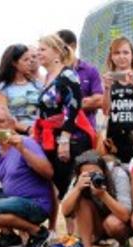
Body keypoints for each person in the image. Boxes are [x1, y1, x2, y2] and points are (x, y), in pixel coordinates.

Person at [0, 107, 53, 247]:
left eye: (1, 121)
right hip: (14, 200)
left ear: (12, 124)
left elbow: (48, 173)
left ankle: (38, 232)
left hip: (35, 203)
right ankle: (8, 235)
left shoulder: (26, 142)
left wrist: (22, 150)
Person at [34, 34, 89, 204]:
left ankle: (78, 230)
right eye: (37, 50)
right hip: (50, 136)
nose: (38, 53)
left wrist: (65, 139)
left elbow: (73, 107)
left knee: (70, 186)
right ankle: (69, 230)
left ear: (56, 52)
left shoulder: (67, 74)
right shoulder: (46, 78)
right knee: (60, 185)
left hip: (69, 138)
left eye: (42, 49)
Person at [60, 150, 133, 247]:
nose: (93, 177)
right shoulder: (79, 179)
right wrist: (78, 188)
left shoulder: (117, 174)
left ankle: (123, 244)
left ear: (104, 170)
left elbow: (125, 216)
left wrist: (104, 195)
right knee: (82, 202)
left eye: (96, 173)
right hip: (96, 224)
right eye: (88, 174)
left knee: (113, 224)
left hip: (120, 224)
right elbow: (65, 211)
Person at [102, 36, 133, 165]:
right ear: (111, 57)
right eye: (117, 53)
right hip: (115, 138)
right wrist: (107, 89)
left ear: (132, 56)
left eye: (125, 52)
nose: (121, 56)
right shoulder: (109, 78)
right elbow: (106, 111)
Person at [56, 29, 104, 128]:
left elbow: (99, 100)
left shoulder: (90, 70)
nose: (57, 52)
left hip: (85, 131)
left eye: (59, 47)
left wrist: (69, 104)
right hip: (59, 129)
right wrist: (84, 102)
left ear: (73, 46)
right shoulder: (54, 72)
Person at [0, 44, 42, 135]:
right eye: (25, 60)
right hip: (17, 134)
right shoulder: (3, 88)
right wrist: (27, 129)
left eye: (30, 59)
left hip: (39, 132)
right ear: (14, 63)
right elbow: (4, 116)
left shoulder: (36, 84)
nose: (30, 62)